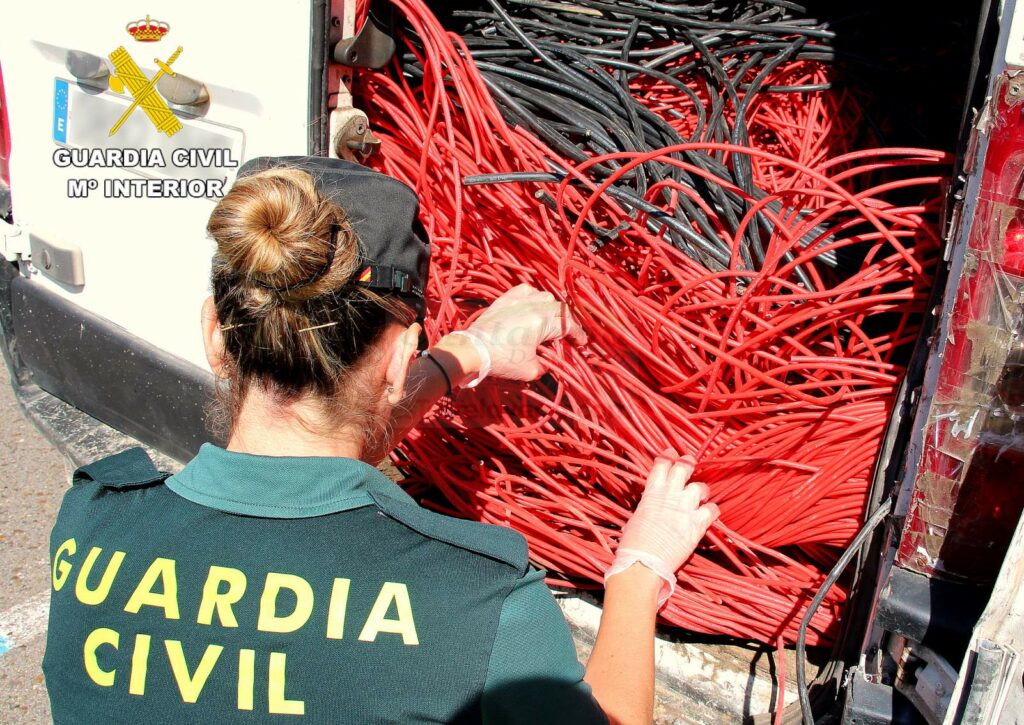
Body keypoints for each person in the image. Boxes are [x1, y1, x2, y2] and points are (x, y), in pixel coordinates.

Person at [43, 157, 719, 724]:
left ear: (216, 336)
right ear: (397, 360)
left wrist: (464, 355)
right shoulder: (481, 603)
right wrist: (640, 572)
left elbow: (307, 466)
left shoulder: (90, 525)